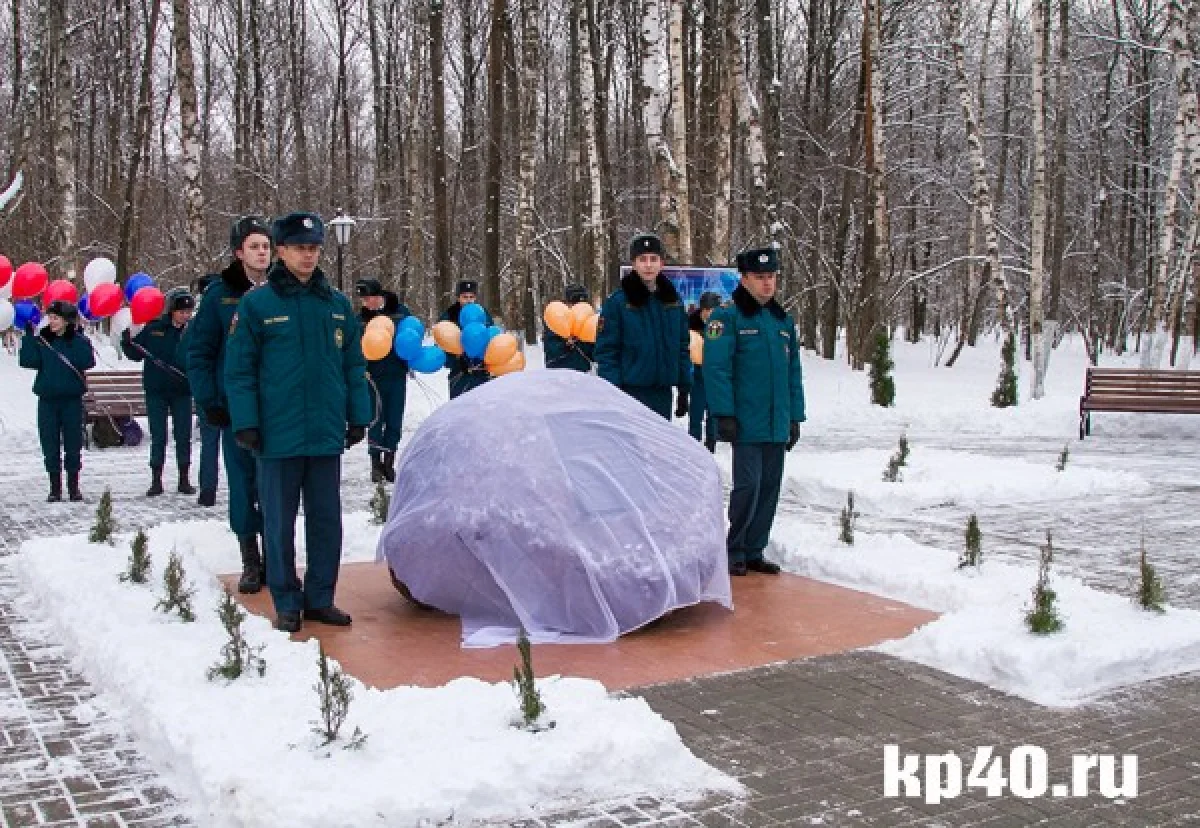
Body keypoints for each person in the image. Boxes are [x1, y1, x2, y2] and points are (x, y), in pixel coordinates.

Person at [224, 211, 371, 633]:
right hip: (277, 434)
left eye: (314, 248)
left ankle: (320, 597)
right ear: (281, 251)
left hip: (324, 432)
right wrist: (246, 422)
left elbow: (353, 365)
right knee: (278, 523)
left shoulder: (336, 305)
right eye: (300, 248)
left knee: (326, 520)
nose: (308, 256)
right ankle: (287, 600)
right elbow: (240, 370)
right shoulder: (258, 305)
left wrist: (357, 415)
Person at [703, 247, 806, 576]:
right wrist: (724, 413)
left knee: (769, 487)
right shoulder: (727, 318)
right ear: (744, 278)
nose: (767, 283)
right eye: (760, 277)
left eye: (771, 277)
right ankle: (735, 548)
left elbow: (793, 374)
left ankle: (755, 549)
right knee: (748, 485)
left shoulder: (782, 321)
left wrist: (795, 417)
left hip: (776, 420)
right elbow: (717, 368)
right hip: (745, 420)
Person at [187, 215, 272, 593]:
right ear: (239, 252)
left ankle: (275, 556)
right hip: (234, 407)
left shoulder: (282, 289)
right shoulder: (219, 295)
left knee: (275, 486)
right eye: (254, 246)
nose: (262, 253)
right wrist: (208, 400)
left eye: (266, 246)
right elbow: (199, 352)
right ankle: (250, 558)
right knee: (243, 484)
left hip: (275, 406)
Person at [595, 232, 691, 418]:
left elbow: (682, 346)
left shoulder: (672, 302)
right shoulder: (618, 303)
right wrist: (613, 393)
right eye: (642, 259)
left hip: (662, 394)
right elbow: (607, 352)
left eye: (653, 259)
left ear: (662, 263)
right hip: (629, 393)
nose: (648, 265)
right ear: (634, 264)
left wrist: (684, 387)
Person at [122, 287, 196, 497]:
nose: (185, 315)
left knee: (183, 435)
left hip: (182, 390)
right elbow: (136, 353)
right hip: (157, 390)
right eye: (181, 311)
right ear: (172, 311)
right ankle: (156, 478)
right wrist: (127, 340)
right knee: (158, 435)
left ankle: (184, 478)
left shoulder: (192, 331)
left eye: (188, 312)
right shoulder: (154, 328)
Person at [19, 300, 95, 502]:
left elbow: (87, 361)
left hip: (71, 401)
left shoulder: (77, 340)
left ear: (66, 320)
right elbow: (28, 361)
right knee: (49, 445)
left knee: (73, 445)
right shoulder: (43, 340)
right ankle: (55, 487)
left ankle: (73, 486)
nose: (51, 321)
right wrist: (28, 337)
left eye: (56, 318)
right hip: (47, 401)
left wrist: (79, 338)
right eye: (50, 317)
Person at [356, 277, 411, 483]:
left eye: (369, 298)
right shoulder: (360, 320)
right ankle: (375, 462)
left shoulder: (400, 313)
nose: (366, 303)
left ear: (379, 296)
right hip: (372, 377)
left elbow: (410, 337)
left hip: (396, 375)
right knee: (375, 420)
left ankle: (389, 460)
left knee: (394, 419)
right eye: (363, 300)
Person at [190, 273, 222, 507]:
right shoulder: (233, 313)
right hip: (220, 389)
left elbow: (188, 353)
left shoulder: (199, 321)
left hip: (211, 388)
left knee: (210, 443)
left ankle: (208, 491)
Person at [439, 279, 494, 399]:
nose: (468, 300)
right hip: (459, 374)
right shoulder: (450, 315)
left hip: (482, 372)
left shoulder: (483, 314)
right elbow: (442, 341)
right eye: (465, 297)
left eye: (471, 297)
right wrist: (456, 361)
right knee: (460, 407)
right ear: (458, 297)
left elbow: (492, 338)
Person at [688, 291, 722, 452]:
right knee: (696, 412)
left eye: (714, 310)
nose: (710, 314)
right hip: (696, 373)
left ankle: (711, 445)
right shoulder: (691, 324)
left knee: (713, 414)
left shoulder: (720, 325)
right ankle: (693, 446)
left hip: (714, 374)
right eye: (708, 310)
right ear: (702, 309)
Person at [543, 284, 595, 372]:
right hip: (560, 372)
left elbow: (593, 352)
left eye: (583, 301)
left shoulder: (588, 320)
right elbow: (550, 349)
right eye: (575, 300)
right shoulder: (556, 319)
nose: (578, 305)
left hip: (583, 372)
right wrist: (565, 345)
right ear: (567, 302)